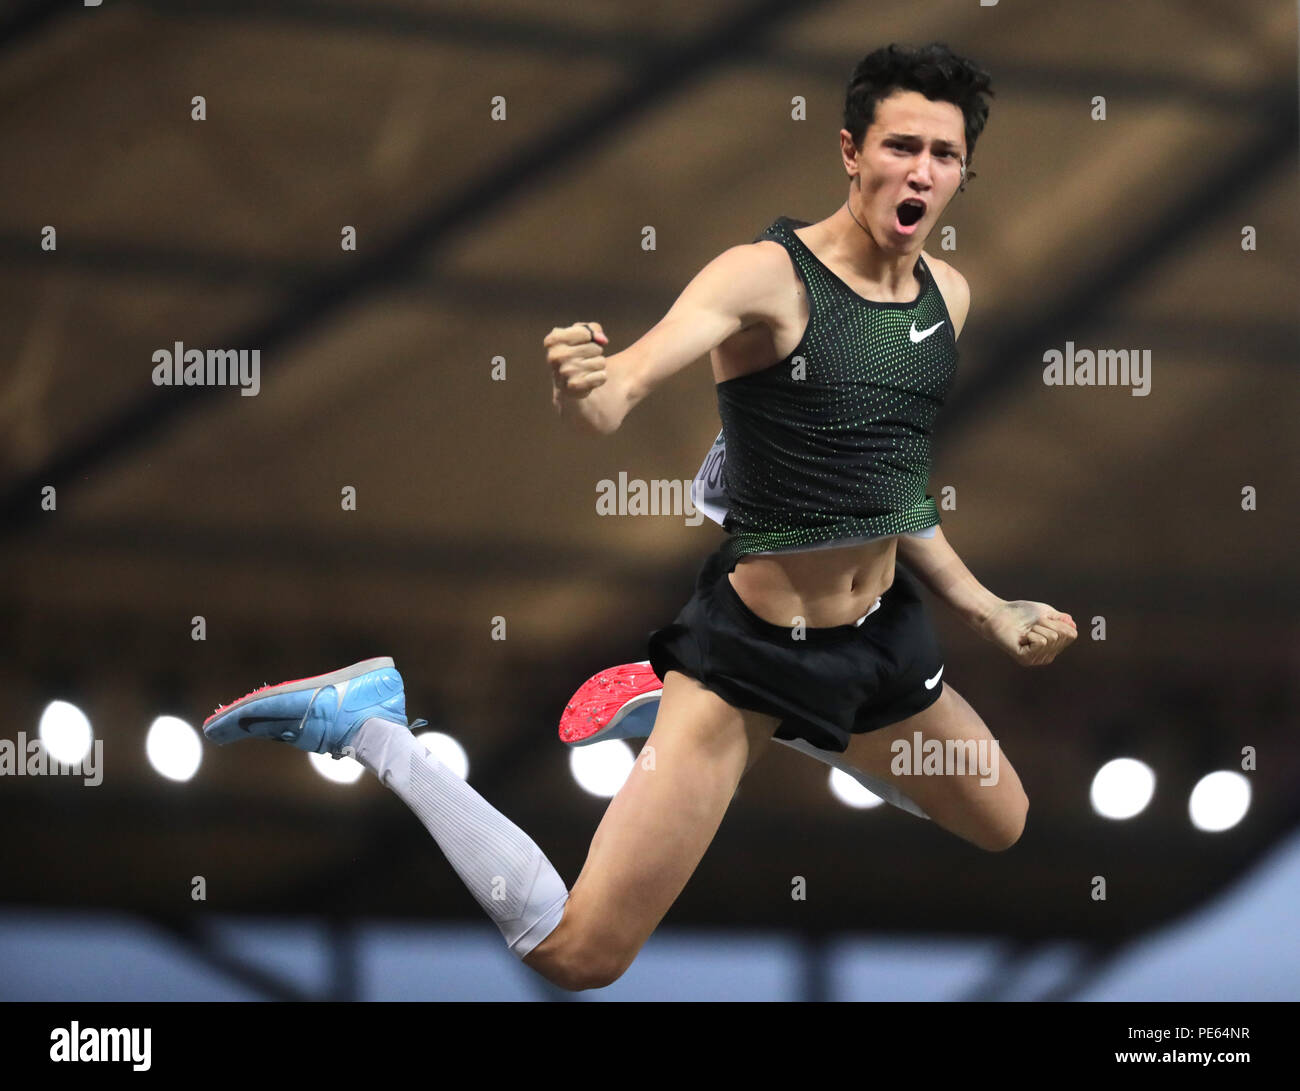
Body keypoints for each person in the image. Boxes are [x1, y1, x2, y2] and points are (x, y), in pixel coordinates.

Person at [203, 42, 1076, 995]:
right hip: (755, 658)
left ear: (961, 174)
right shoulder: (762, 278)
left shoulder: (947, 296)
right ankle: (374, 728)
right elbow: (619, 392)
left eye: (943, 156)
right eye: (901, 146)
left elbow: (896, 486)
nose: (921, 171)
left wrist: (988, 607)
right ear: (850, 152)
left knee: (1005, 820)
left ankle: (778, 723)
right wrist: (585, 385)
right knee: (579, 954)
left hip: (883, 640)